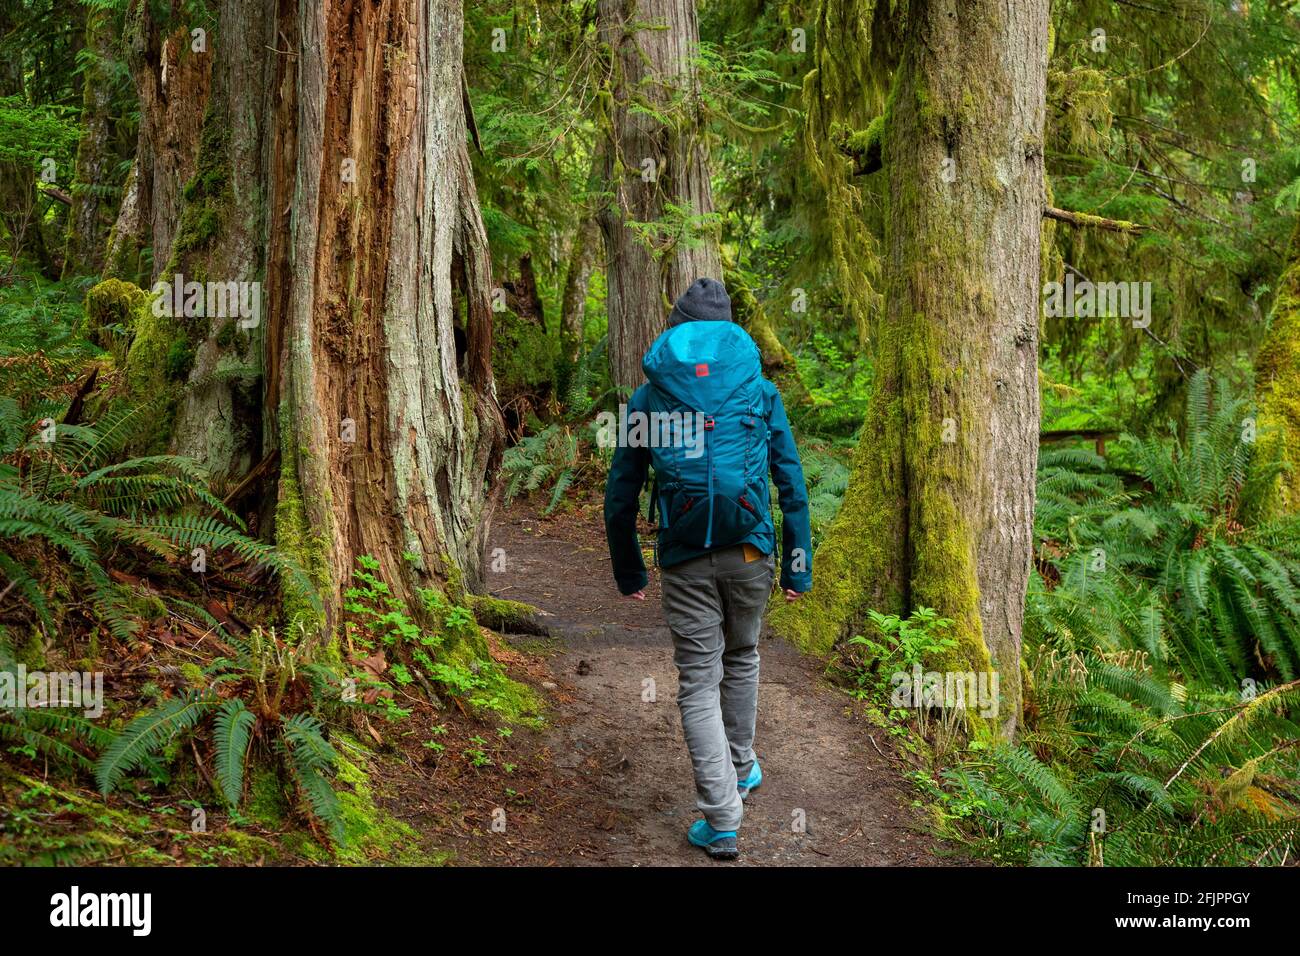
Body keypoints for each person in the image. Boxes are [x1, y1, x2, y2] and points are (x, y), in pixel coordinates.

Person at [603, 277, 813, 860]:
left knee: (699, 678)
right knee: (742, 656)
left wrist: (630, 571)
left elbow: (622, 491)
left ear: (677, 330)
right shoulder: (760, 389)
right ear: (730, 332)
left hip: (684, 552)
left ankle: (722, 819)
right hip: (751, 549)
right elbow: (790, 483)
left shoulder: (649, 399)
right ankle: (741, 768)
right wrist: (798, 567)